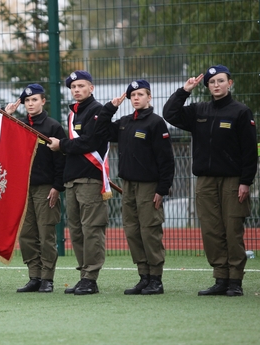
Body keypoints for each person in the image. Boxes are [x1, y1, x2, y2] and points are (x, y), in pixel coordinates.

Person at [163, 65, 257, 297]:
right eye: (212, 82)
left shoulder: (241, 112)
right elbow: (170, 114)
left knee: (232, 230)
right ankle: (220, 278)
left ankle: (235, 281)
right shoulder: (198, 110)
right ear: (207, 86)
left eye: (221, 81)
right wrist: (184, 91)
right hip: (205, 181)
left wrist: (246, 181)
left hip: (233, 181)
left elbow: (249, 151)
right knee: (211, 231)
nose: (216, 85)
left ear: (230, 83)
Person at [99, 80, 174, 295]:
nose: (136, 98)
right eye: (133, 95)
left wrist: (162, 189)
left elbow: (166, 160)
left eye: (140, 94)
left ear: (149, 97)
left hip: (149, 186)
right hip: (128, 185)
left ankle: (156, 279)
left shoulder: (155, 123)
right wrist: (110, 107)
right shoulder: (124, 122)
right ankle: (144, 276)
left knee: (150, 230)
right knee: (132, 230)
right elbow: (102, 130)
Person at [47, 71, 110, 295]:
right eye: (73, 86)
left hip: (90, 179)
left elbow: (91, 142)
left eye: (81, 86)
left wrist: (61, 145)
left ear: (91, 88)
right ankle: (84, 275)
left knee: (91, 229)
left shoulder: (97, 111)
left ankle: (91, 278)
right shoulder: (74, 113)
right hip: (73, 180)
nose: (76, 90)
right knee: (76, 231)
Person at [4, 84, 66, 293]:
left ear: (43, 101)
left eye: (34, 100)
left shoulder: (52, 126)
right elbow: (4, 144)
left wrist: (57, 186)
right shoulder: (19, 124)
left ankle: (47, 278)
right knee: (27, 234)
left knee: (46, 233)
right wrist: (7, 116)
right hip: (24, 188)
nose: (30, 104)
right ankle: (34, 276)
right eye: (27, 101)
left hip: (45, 187)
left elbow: (61, 161)